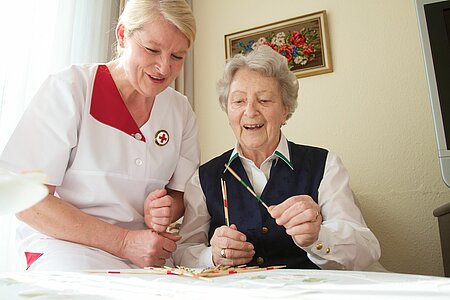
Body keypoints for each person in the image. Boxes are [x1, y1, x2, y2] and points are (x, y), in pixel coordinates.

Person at [0, 0, 199, 271]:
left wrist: (165, 210)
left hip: (145, 253)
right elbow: (25, 201)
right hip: (67, 248)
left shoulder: (180, 110)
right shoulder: (70, 89)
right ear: (122, 36)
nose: (164, 68)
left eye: (177, 56)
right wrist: (124, 242)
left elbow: (179, 196)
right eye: (152, 50)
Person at [173, 45, 381, 270]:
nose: (250, 111)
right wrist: (212, 256)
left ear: (285, 110)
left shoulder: (325, 165)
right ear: (227, 110)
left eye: (264, 100)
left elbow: (367, 250)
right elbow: (182, 253)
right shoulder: (204, 177)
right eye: (239, 101)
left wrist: (318, 237)